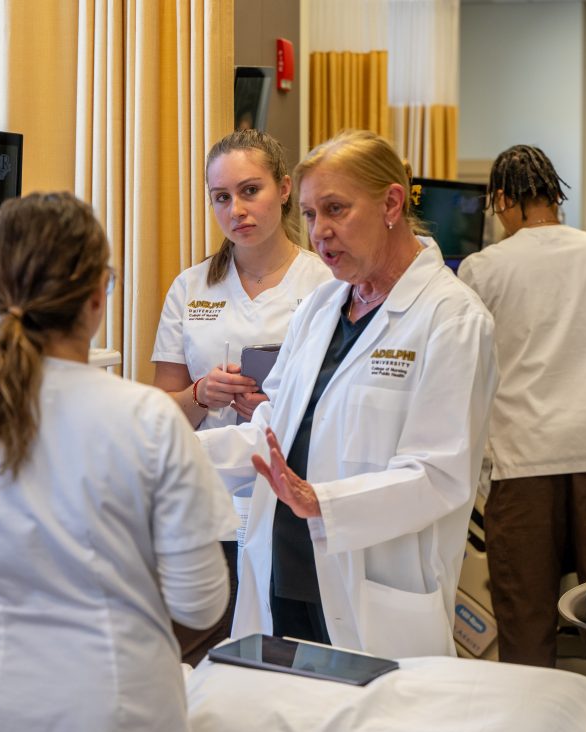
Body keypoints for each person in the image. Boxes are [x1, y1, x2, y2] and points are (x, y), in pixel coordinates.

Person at [0, 192, 238, 732]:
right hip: (122, 710)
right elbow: (201, 602)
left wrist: (5, 580)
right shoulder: (149, 420)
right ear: (99, 295)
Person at [195, 129, 498, 659]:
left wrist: (321, 501)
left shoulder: (452, 318)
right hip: (282, 570)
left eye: (336, 209)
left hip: (372, 589)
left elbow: (440, 474)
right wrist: (169, 452)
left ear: (391, 203)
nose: (320, 233)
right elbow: (271, 431)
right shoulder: (321, 308)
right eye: (310, 215)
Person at [458, 145, 586, 668]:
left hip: (523, 462)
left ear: (502, 199)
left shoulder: (481, 268)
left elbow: (474, 373)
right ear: (554, 194)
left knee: (525, 617)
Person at [153, 129, 333, 431]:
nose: (236, 211)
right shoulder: (189, 287)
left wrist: (279, 411)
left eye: (250, 191)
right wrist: (199, 394)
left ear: (284, 188)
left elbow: (343, 409)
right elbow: (160, 417)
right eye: (222, 197)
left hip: (289, 470)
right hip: (206, 469)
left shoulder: (325, 284)